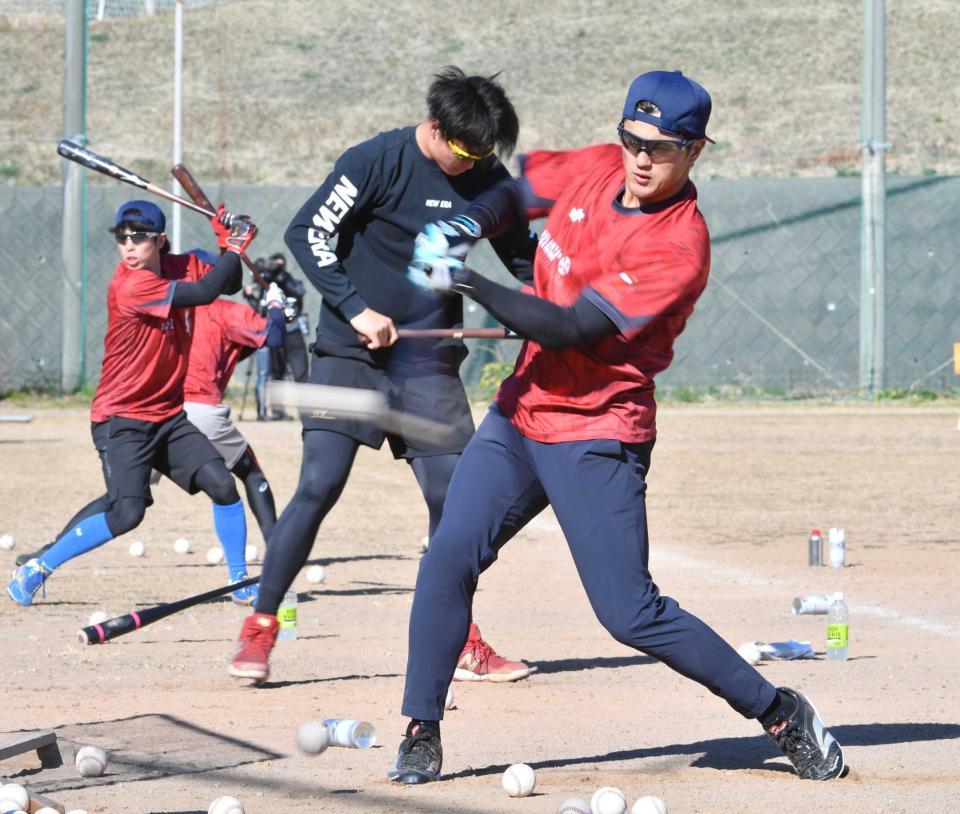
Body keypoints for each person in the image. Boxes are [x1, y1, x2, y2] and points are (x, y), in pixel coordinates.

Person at [387, 70, 846, 784]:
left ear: (695, 152)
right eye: (632, 139)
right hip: (519, 415)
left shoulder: (678, 245)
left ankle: (779, 709)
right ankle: (421, 727)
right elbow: (514, 192)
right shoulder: (600, 165)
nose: (639, 158)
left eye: (660, 148)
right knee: (447, 559)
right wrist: (466, 225)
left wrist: (470, 281)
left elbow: (572, 327)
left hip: (598, 432)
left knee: (628, 614)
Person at [228, 66, 537, 685]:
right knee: (320, 486)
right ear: (435, 127)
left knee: (456, 503)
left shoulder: (485, 177)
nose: (474, 164)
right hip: (350, 355)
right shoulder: (376, 160)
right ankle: (260, 627)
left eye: (484, 155)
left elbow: (521, 256)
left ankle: (457, 639)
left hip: (429, 363)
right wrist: (355, 308)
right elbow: (307, 231)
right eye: (465, 151)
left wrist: (548, 305)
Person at [7, 200, 261, 606]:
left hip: (168, 415)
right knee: (128, 513)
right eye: (122, 238)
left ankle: (239, 583)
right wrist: (235, 245)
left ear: (160, 241)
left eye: (139, 238)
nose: (128, 246)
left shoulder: (177, 266)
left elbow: (226, 285)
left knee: (222, 485)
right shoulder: (131, 284)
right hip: (121, 418)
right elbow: (206, 292)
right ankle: (37, 568)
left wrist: (223, 242)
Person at [244, 254, 308, 420]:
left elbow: (299, 292)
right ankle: (278, 411)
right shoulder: (265, 283)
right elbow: (259, 308)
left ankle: (306, 412)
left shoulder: (287, 280)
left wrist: (282, 279)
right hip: (275, 330)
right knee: (276, 373)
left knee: (300, 373)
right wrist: (250, 296)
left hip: (292, 331)